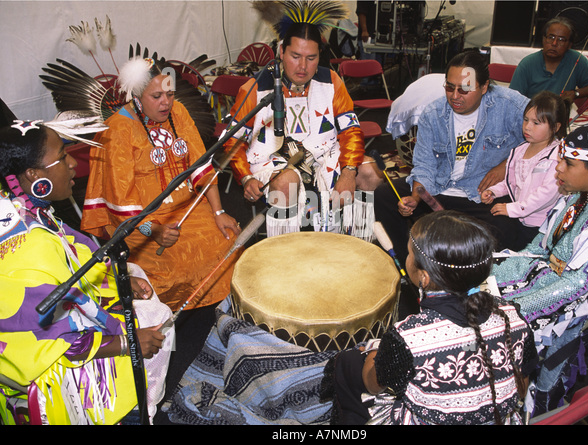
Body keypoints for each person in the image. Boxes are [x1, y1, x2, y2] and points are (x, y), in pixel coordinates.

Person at [0, 121, 173, 424]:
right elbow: (59, 344)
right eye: (63, 155)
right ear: (33, 175)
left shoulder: (17, 206)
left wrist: (116, 281)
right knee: (151, 323)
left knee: (134, 278)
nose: (73, 164)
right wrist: (129, 343)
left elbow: (72, 257)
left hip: (41, 345)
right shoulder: (31, 248)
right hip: (48, 383)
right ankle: (131, 412)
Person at [328, 211, 538, 425]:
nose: (407, 257)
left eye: (409, 253)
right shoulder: (512, 316)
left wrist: (377, 350)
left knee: (348, 362)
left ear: (424, 277)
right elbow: (521, 386)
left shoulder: (407, 337)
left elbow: (373, 385)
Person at [493, 123, 588, 415]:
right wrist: (497, 271)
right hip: (546, 281)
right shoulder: (577, 198)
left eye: (567, 163)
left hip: (570, 311)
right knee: (480, 285)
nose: (557, 168)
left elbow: (576, 288)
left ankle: (516, 404)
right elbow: (538, 248)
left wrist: (513, 309)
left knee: (491, 326)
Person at [81, 57, 241, 311]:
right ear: (136, 96)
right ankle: (161, 318)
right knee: (176, 258)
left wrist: (218, 212)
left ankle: (220, 311)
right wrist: (152, 230)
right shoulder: (118, 129)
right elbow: (120, 199)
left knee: (226, 237)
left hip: (186, 206)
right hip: (138, 220)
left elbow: (201, 165)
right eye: (156, 96)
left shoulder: (178, 112)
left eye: (169, 93)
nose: (166, 102)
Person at [228, 0, 382, 238]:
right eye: (295, 56)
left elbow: (351, 130)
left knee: (369, 173)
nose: (303, 66)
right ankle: (285, 257)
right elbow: (232, 140)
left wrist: (349, 172)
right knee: (287, 181)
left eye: (311, 58)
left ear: (319, 55)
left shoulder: (331, 81)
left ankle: (353, 248)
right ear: (281, 51)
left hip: (323, 154)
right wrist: (245, 176)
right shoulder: (255, 87)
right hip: (272, 160)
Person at [375, 49, 529, 262]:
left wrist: (506, 165)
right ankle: (406, 264)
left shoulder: (511, 106)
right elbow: (424, 164)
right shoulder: (434, 112)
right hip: (439, 189)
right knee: (385, 196)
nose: (455, 96)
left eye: (464, 89)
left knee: (507, 230)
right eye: (449, 87)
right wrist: (415, 197)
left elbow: (544, 138)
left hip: (482, 193)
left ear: (484, 87)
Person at [481, 91, 567, 251]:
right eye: (526, 120)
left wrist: (513, 208)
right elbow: (512, 182)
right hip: (520, 218)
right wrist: (494, 191)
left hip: (541, 225)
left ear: (555, 127)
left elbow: (546, 195)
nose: (527, 127)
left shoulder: (556, 158)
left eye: (536, 123)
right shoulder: (520, 150)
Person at [509, 17, 588, 102]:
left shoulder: (576, 59)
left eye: (561, 39)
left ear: (569, 45)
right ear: (543, 40)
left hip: (560, 117)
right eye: (551, 37)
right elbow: (513, 98)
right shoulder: (528, 63)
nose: (554, 43)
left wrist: (575, 93)